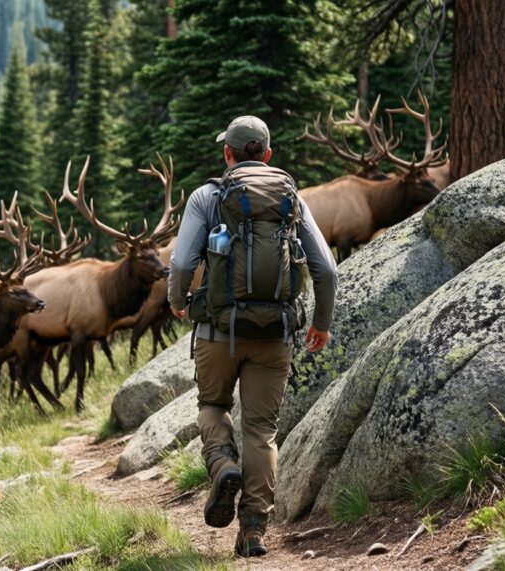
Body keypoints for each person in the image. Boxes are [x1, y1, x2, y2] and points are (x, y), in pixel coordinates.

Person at [168, 116, 337, 557]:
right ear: (267, 154)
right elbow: (325, 269)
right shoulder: (291, 197)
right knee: (261, 430)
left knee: (213, 406)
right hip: (274, 335)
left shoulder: (207, 196)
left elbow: (182, 263)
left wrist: (177, 300)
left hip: (217, 331)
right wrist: (321, 323)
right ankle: (253, 531)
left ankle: (223, 464)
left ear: (227, 153)